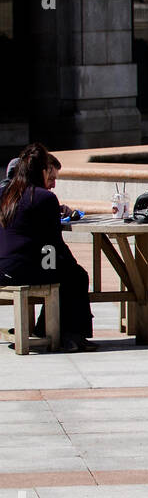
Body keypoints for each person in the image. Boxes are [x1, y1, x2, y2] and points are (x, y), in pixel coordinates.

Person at [0, 144, 95, 351]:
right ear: (42, 170)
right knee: (76, 275)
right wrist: (70, 264)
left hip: (2, 269)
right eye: (50, 176)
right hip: (22, 269)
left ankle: (47, 330)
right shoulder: (44, 198)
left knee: (62, 272)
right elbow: (54, 244)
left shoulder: (6, 193)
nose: (52, 184)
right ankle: (73, 336)